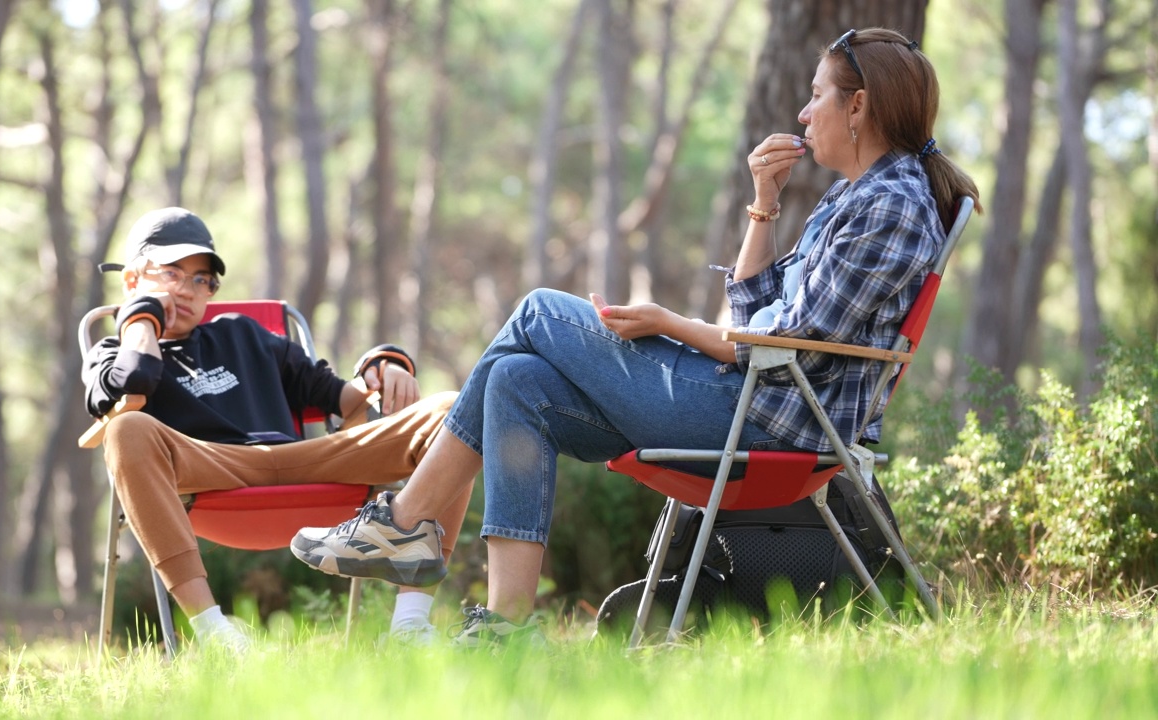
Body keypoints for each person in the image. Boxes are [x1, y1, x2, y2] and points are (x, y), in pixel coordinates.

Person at [291, 27, 981, 646]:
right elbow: (753, 312)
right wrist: (763, 206)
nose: (803, 113)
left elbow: (792, 347)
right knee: (515, 381)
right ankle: (506, 624)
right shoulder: (852, 196)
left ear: (857, 107)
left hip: (770, 426)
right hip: (744, 402)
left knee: (537, 310)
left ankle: (407, 521)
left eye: (817, 95)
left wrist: (665, 323)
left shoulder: (890, 204)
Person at [83, 206, 473, 653]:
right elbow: (132, 381)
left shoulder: (243, 333)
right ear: (132, 280)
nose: (189, 291)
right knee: (126, 427)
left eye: (202, 280)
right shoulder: (113, 352)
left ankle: (409, 626)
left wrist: (382, 365)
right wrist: (139, 319)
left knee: (451, 412)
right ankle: (216, 636)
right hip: (205, 467)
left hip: (303, 462)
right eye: (172, 273)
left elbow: (344, 397)